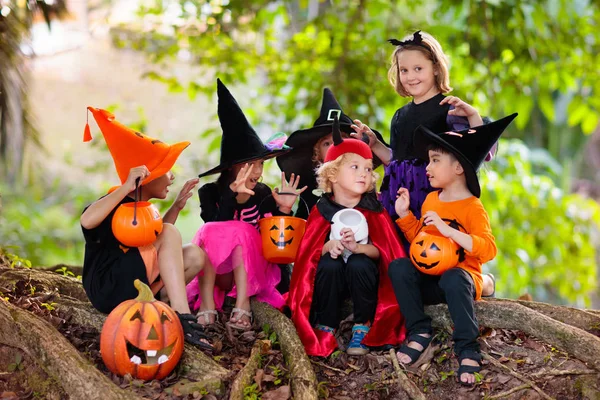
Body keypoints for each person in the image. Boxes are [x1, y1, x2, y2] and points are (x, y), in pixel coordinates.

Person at [388, 113, 517, 385]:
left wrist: (450, 232)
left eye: (435, 160)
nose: (427, 167)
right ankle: (419, 331)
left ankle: (468, 347)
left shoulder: (472, 207)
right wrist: (405, 217)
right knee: (399, 267)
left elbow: (488, 249)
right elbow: (423, 244)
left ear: (458, 168)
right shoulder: (432, 200)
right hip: (432, 281)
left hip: (459, 282)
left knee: (454, 277)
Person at [80, 106, 211, 350]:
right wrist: (126, 186)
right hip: (109, 288)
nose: (172, 177)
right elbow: (87, 221)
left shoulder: (143, 209)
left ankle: (161, 303)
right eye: (167, 170)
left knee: (194, 254)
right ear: (147, 177)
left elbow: (160, 247)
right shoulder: (113, 203)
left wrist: (176, 207)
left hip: (135, 283)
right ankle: (181, 316)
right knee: (169, 233)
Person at [186, 79, 306, 331]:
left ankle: (243, 306)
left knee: (244, 232)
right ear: (233, 167)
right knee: (210, 231)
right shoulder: (209, 192)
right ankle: (207, 303)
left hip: (257, 270)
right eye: (250, 164)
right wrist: (233, 197)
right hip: (219, 271)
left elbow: (278, 247)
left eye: (261, 164)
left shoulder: (262, 193)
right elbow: (213, 225)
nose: (258, 171)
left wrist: (283, 211)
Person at [287, 116, 406, 357]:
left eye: (368, 169)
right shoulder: (321, 210)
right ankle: (326, 323)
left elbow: (384, 252)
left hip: (364, 280)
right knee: (329, 264)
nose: (364, 174)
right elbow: (308, 256)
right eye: (355, 167)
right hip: (332, 282)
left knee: (359, 262)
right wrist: (327, 246)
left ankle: (363, 325)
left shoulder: (375, 210)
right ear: (332, 174)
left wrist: (359, 248)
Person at [276, 88, 387, 219]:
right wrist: (284, 209)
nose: (334, 147)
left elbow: (377, 224)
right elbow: (301, 230)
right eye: (326, 144)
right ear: (317, 155)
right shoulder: (309, 189)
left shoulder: (363, 180)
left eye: (340, 140)